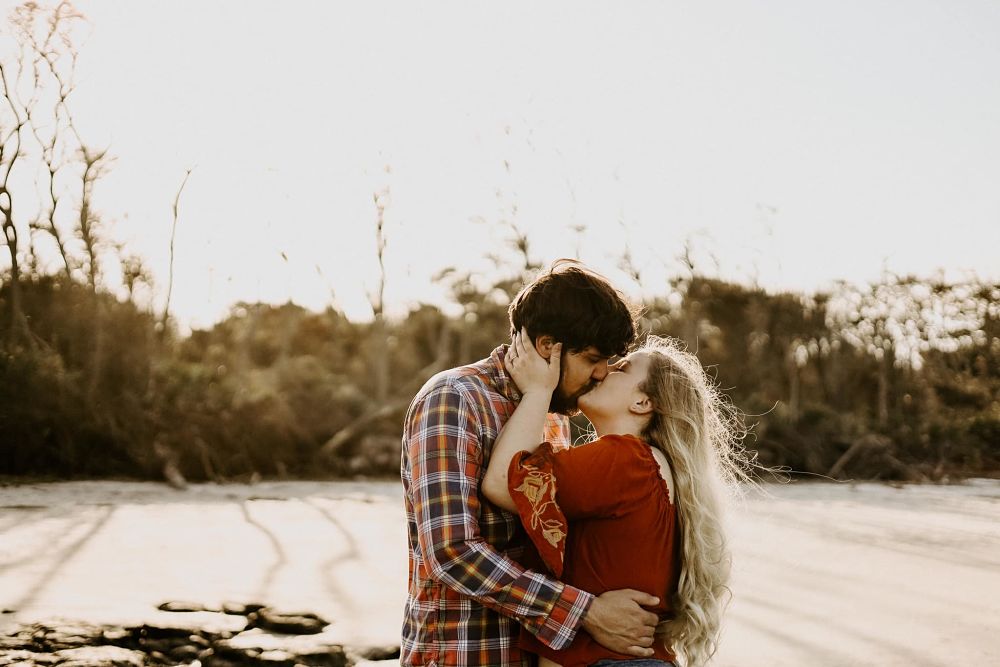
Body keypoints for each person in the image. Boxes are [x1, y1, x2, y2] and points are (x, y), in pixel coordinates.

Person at [401, 260, 663, 666]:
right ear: (547, 347)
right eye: (593, 358)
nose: (601, 373)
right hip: (464, 654)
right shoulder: (454, 399)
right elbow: (451, 551)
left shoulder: (554, 415)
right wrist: (586, 612)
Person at [482, 330, 750, 667]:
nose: (603, 371)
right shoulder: (647, 465)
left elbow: (501, 482)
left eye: (621, 369)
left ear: (642, 402)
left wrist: (538, 391)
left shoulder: (624, 459)